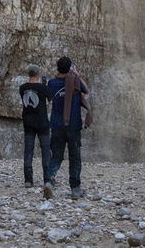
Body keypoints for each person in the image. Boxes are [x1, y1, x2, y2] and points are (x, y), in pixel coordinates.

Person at [43, 56, 91, 199]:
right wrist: (76, 74)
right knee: (75, 157)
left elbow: (49, 96)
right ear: (71, 68)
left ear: (58, 68)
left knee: (56, 156)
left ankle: (49, 182)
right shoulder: (75, 81)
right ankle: (75, 189)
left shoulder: (52, 83)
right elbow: (86, 90)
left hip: (57, 126)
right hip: (73, 126)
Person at [18, 65, 52, 188]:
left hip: (28, 123)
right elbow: (50, 97)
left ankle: (28, 180)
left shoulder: (22, 88)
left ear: (29, 74)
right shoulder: (43, 88)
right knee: (46, 151)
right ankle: (47, 180)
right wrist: (44, 85)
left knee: (28, 151)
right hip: (42, 123)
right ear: (38, 74)